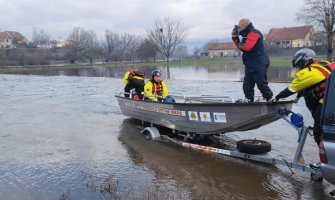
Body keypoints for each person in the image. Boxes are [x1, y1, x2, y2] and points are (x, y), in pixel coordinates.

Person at [272, 48, 335, 150]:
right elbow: (308, 84)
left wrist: (276, 97)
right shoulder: (323, 64)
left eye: (298, 65)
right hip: (331, 100)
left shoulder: (307, 73)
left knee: (319, 133)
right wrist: (297, 97)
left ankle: (326, 160)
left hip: (326, 104)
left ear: (304, 61)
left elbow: (290, 89)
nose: (298, 68)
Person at [232, 18, 273, 102]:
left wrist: (238, 41)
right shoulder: (246, 35)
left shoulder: (254, 33)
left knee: (261, 84)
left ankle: (271, 99)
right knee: (247, 85)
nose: (237, 29)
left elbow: (246, 47)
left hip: (258, 62)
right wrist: (235, 37)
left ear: (244, 26)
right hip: (250, 63)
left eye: (239, 27)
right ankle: (249, 101)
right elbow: (242, 46)